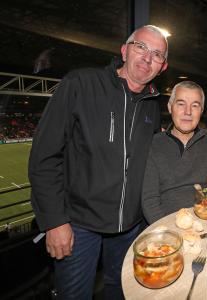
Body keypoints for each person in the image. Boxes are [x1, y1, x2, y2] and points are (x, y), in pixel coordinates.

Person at [28, 25, 168, 299]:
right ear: (125, 50)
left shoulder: (152, 103)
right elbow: (44, 156)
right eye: (141, 47)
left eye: (157, 54)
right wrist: (54, 221)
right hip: (78, 226)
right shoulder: (80, 84)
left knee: (123, 292)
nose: (147, 58)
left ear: (163, 66)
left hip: (130, 228)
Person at [142, 81, 207, 223]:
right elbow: (150, 200)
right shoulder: (154, 143)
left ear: (201, 110)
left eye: (195, 105)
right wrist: (169, 231)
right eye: (181, 104)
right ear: (170, 107)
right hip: (166, 224)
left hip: (206, 220)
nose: (188, 112)